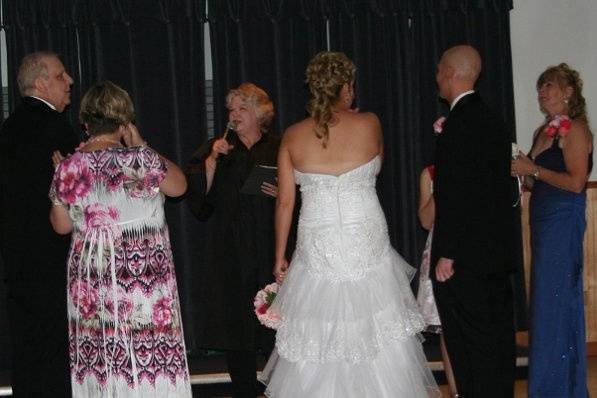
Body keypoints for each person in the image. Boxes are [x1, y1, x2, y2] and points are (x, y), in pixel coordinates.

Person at [260, 51, 439, 397]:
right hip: (365, 237)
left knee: (317, 330)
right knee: (378, 327)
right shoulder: (370, 123)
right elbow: (378, 164)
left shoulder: (293, 136)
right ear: (345, 87)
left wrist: (280, 255)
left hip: (318, 240)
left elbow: (285, 202)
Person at [48, 81, 191, 397]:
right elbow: (180, 187)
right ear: (125, 122)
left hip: (94, 278)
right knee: (147, 350)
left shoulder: (69, 167)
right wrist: (142, 144)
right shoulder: (141, 160)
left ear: (85, 122)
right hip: (143, 279)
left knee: (101, 352)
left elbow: (60, 227)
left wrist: (62, 189)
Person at [431, 45, 517, 397]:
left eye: (439, 70)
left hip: (465, 258)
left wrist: (448, 251)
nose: (436, 77)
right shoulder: (493, 118)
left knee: (470, 346)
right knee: (496, 343)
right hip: (494, 254)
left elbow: (458, 193)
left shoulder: (459, 124)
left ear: (451, 73)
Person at [185, 83, 280, 397]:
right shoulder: (219, 147)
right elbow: (200, 202)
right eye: (231, 110)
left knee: (277, 316)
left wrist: (284, 193)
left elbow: (304, 192)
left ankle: (281, 385)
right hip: (230, 249)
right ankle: (244, 389)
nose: (234, 115)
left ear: (259, 113)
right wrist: (212, 163)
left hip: (271, 245)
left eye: (242, 108)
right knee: (235, 317)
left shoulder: (280, 146)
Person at [511, 63, 592, 397]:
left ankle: (557, 388)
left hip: (563, 219)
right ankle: (551, 385)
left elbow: (575, 183)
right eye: (540, 87)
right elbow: (533, 180)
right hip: (542, 218)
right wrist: (520, 168)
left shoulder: (577, 130)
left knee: (555, 301)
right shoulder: (542, 132)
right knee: (544, 302)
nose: (542, 92)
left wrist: (534, 169)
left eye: (549, 86)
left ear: (569, 92)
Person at [0, 51, 78, 397]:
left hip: (17, 258)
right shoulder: (58, 128)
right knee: (57, 347)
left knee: (27, 346)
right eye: (61, 76)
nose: (70, 82)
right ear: (41, 83)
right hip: (55, 255)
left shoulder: (8, 127)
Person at [416, 164, 458, 397]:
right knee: (447, 327)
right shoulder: (430, 173)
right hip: (440, 246)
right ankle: (456, 392)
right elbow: (425, 220)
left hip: (472, 246)